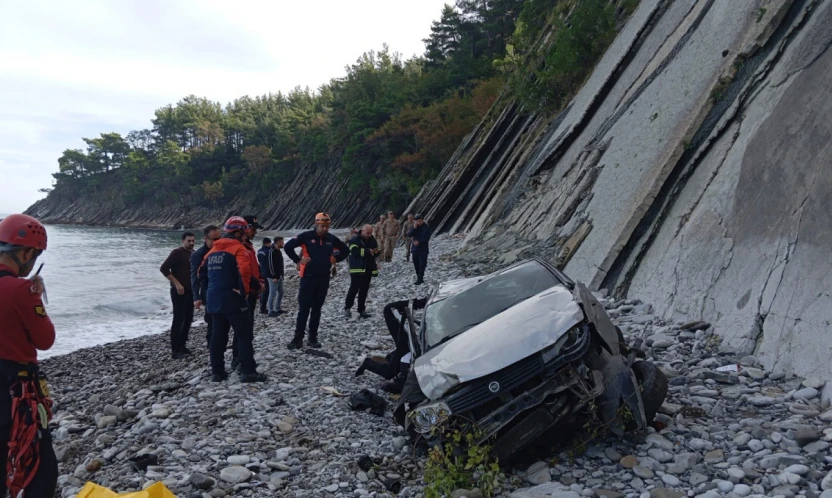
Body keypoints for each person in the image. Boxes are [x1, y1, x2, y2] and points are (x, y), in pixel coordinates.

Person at [0, 214, 58, 498]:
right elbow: (45, 340)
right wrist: (36, 299)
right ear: (25, 253)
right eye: (34, 256)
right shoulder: (22, 290)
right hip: (14, 391)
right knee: (41, 468)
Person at [201, 216, 266, 383]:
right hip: (233, 298)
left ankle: (217, 372)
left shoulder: (212, 251)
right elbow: (244, 271)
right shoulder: (238, 249)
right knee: (244, 334)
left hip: (214, 299)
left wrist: (208, 293)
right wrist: (244, 292)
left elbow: (200, 273)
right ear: (238, 233)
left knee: (218, 334)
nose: (246, 235)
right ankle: (248, 371)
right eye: (244, 232)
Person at [283, 212, 349, 349]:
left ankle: (312, 338)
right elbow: (288, 246)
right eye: (322, 226)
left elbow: (346, 250)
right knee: (304, 309)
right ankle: (297, 338)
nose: (325, 229)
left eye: (327, 226)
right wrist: (298, 260)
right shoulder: (306, 236)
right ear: (316, 224)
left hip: (324, 278)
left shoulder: (331, 239)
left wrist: (336, 259)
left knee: (317, 309)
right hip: (308, 278)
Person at [160, 231, 196, 359]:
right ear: (183, 241)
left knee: (188, 319)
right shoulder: (177, 253)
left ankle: (182, 345)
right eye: (188, 241)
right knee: (178, 320)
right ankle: (175, 350)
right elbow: (164, 269)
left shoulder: (193, 253)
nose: (191, 243)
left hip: (190, 291)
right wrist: (177, 284)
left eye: (193, 241)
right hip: (178, 291)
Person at [191, 225, 221, 351]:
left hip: (221, 289)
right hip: (207, 291)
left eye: (218, 238)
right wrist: (196, 297)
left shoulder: (221, 251)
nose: (216, 242)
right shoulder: (198, 255)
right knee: (211, 319)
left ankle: (218, 342)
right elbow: (194, 277)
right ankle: (211, 345)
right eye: (213, 239)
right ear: (205, 238)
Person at [344, 224, 380, 319]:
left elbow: (376, 251)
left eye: (370, 233)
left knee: (364, 290)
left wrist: (377, 252)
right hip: (357, 269)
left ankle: (361, 309)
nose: (369, 235)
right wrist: (368, 251)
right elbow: (355, 252)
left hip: (368, 268)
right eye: (368, 233)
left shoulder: (372, 239)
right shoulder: (354, 239)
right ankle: (347, 308)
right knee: (354, 289)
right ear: (363, 231)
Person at [407, 214, 432, 285]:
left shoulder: (426, 227)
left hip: (423, 249)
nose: (419, 223)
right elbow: (409, 234)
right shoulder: (414, 226)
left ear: (422, 220)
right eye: (417, 221)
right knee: (416, 263)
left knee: (422, 264)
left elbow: (427, 238)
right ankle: (418, 276)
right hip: (415, 249)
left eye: (420, 221)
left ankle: (421, 278)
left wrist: (419, 242)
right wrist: (414, 228)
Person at [265, 236, 285, 317]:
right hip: (273, 277)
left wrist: (281, 275)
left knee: (281, 292)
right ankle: (270, 311)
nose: (283, 243)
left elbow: (280, 264)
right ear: (278, 242)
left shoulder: (278, 251)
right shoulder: (271, 251)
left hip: (279, 275)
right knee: (272, 293)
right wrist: (274, 276)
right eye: (282, 242)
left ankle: (277, 308)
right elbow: (270, 265)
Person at [257, 237, 272, 315]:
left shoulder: (259, 251)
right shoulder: (269, 251)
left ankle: (261, 306)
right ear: (268, 243)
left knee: (263, 290)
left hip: (261, 271)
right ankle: (263, 308)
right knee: (267, 290)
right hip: (267, 272)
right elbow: (270, 263)